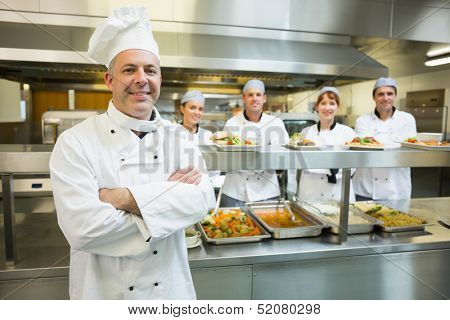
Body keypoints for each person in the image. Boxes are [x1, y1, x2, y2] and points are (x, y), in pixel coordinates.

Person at [49, 6, 215, 300]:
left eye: (150, 70)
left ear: (160, 80)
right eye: (129, 69)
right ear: (109, 80)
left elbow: (202, 200)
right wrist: (168, 204)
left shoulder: (179, 136)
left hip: (169, 295)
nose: (141, 78)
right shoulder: (75, 142)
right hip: (104, 296)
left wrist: (120, 198)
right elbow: (84, 230)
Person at [220, 79, 290, 207]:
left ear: (264, 98)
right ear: (244, 98)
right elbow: (225, 160)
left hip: (267, 192)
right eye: (250, 95)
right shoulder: (232, 123)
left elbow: (282, 159)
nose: (254, 98)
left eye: (258, 95)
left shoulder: (276, 123)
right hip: (235, 191)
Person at [353, 77, 417, 200]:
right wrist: (393, 144)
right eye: (381, 94)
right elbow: (366, 149)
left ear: (395, 96)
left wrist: (376, 143)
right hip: (365, 189)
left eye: (390, 94)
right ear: (374, 97)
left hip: (396, 190)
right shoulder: (362, 121)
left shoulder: (407, 119)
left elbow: (406, 150)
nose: (386, 98)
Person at [297, 87, 357, 201]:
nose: (327, 108)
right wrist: (331, 166)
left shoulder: (348, 133)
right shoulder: (306, 133)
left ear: (338, 107)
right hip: (310, 193)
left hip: (338, 193)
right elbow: (300, 163)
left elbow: (352, 167)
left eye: (332, 103)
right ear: (317, 106)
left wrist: (317, 166)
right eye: (323, 103)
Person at [180, 90, 222, 187]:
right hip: (178, 189)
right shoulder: (171, 133)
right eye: (192, 108)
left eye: (200, 109)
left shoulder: (208, 136)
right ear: (182, 109)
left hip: (203, 190)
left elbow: (214, 169)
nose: (197, 112)